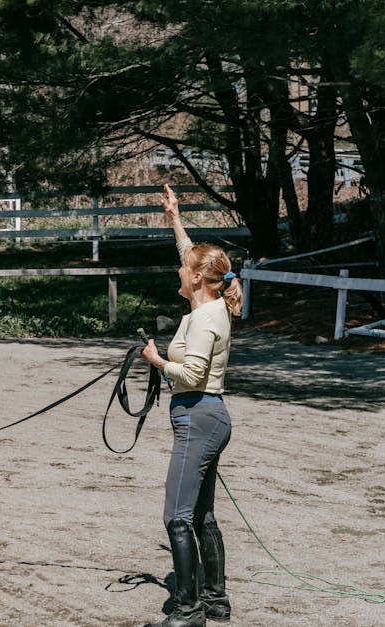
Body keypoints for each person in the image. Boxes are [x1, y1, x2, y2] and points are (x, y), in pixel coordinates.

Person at [137, 184, 242, 627]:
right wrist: (175, 216)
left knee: (176, 515)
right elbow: (190, 253)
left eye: (184, 270)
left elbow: (192, 375)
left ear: (197, 278)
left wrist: (156, 360)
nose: (179, 272)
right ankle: (215, 600)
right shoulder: (212, 302)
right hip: (209, 416)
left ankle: (188, 609)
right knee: (201, 514)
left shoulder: (203, 319)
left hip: (197, 414)